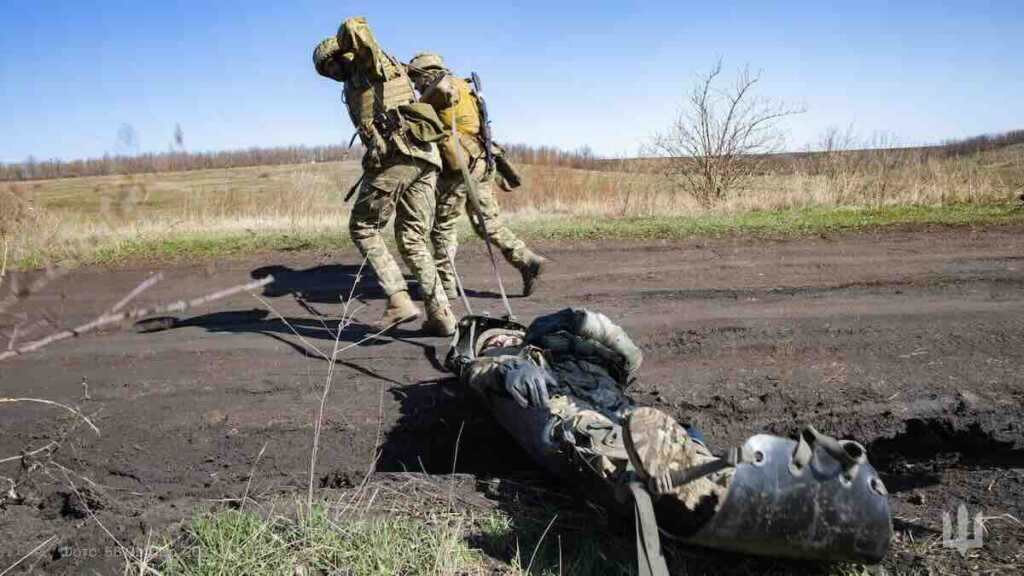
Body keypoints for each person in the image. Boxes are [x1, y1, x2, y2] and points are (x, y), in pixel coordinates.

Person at [445, 310, 892, 573]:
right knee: (601, 443)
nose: (502, 339)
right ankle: (680, 494)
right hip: (567, 415)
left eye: (505, 334)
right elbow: (476, 373)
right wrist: (504, 366)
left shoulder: (568, 344)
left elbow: (624, 352)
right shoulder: (502, 366)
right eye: (492, 340)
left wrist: (575, 322)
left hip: (629, 415)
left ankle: (739, 488)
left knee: (667, 441)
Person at [313, 18, 455, 335]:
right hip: (425, 159)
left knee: (363, 227)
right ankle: (442, 315)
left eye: (331, 65)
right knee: (413, 239)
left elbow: (354, 26)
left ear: (343, 54)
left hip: (397, 156)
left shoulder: (369, 63)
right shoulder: (358, 79)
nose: (332, 73)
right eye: (325, 72)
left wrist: (347, 44)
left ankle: (398, 298)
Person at [405, 52, 548, 298]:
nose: (416, 86)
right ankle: (526, 260)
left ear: (427, 74)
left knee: (442, 227)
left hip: (460, 165)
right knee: (488, 224)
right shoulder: (464, 87)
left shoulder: (441, 87)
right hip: (481, 161)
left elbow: (421, 116)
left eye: (416, 80)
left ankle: (445, 286)